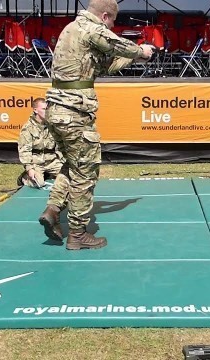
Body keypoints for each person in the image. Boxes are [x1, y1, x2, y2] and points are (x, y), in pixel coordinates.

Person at [38, 0, 154, 251]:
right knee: (85, 175)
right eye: (112, 22)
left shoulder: (71, 29)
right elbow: (116, 44)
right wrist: (141, 51)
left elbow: (105, 65)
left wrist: (134, 59)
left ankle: (53, 209)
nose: (112, 26)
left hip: (57, 110)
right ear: (104, 16)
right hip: (74, 113)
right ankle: (78, 234)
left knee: (72, 165)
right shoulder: (91, 28)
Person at [18, 97, 69, 241]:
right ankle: (24, 178)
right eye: (44, 109)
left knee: (68, 175)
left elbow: (60, 145)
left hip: (52, 159)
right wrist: (29, 168)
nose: (47, 111)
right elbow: (24, 150)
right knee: (38, 182)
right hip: (36, 161)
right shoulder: (28, 128)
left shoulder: (52, 125)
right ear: (35, 110)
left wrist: (63, 161)